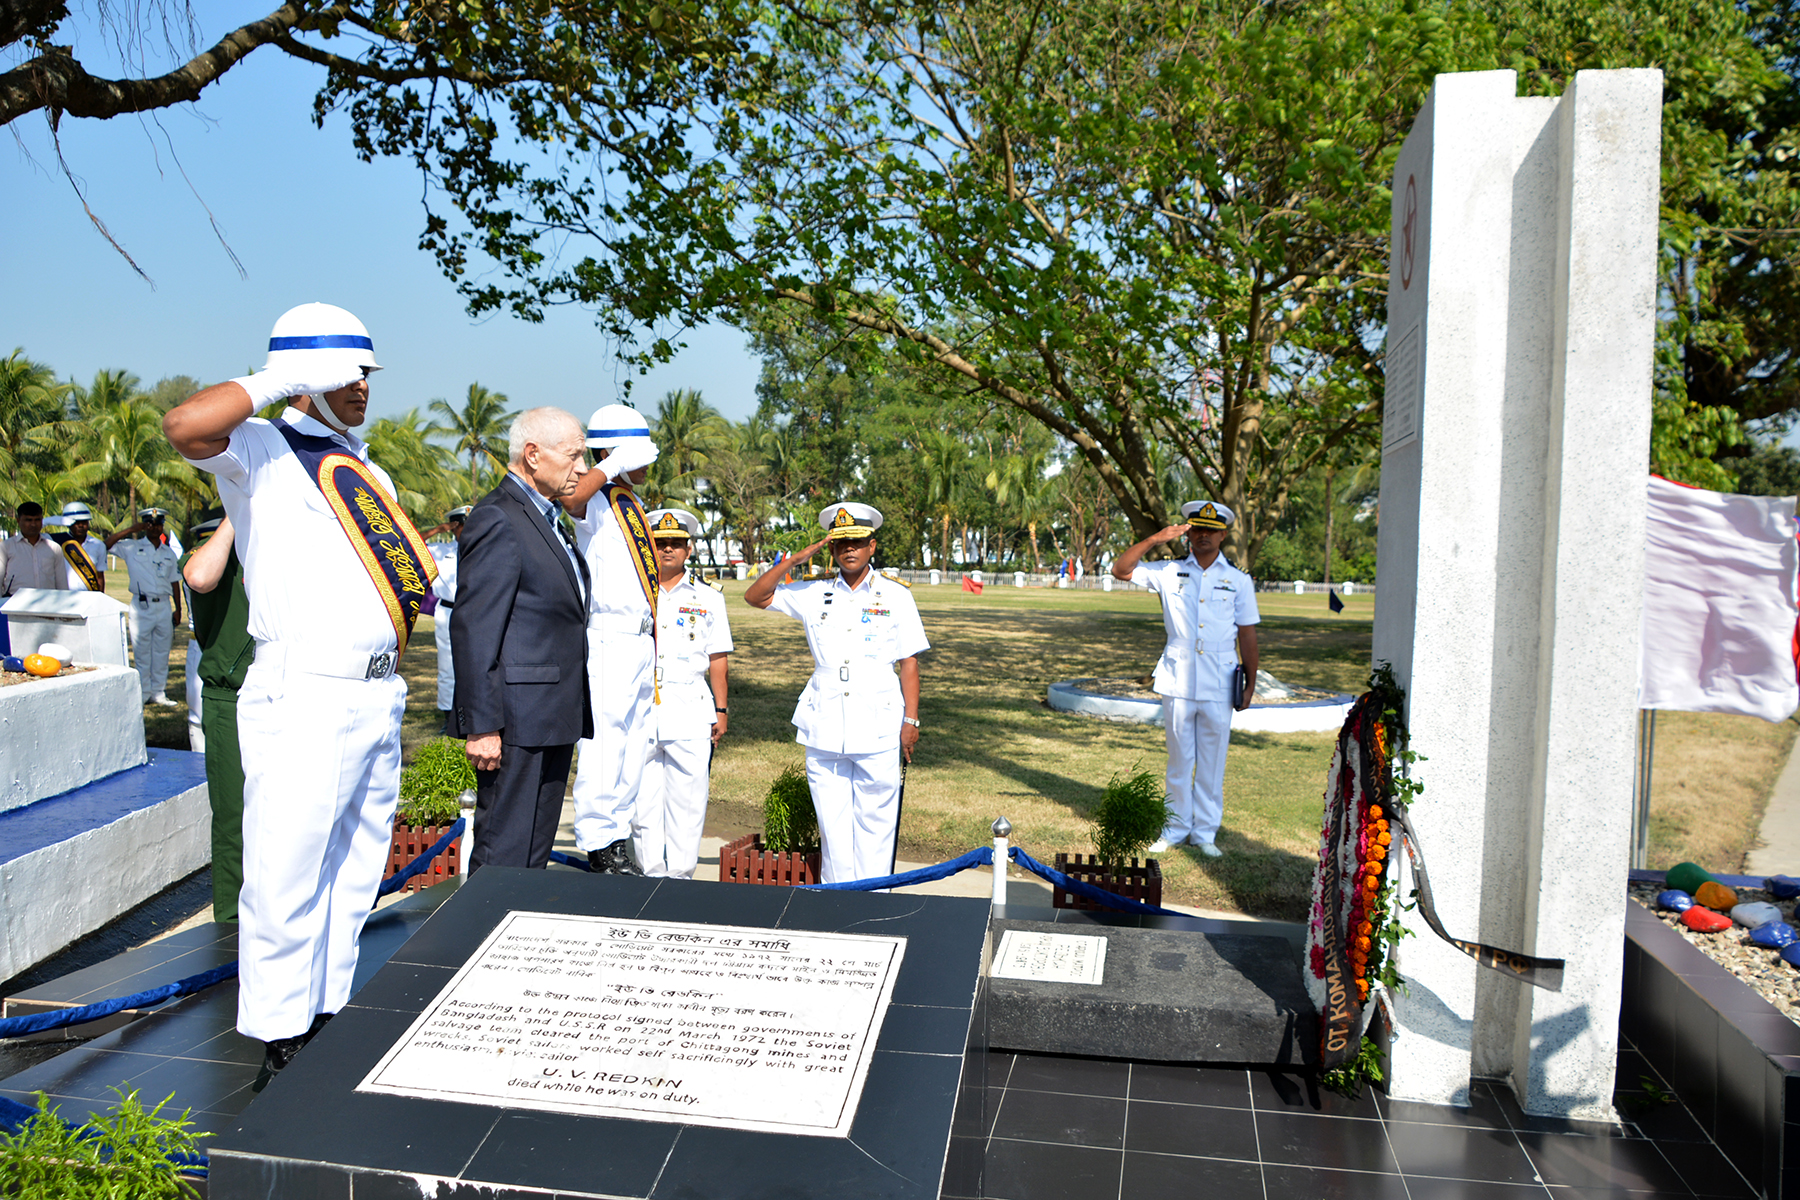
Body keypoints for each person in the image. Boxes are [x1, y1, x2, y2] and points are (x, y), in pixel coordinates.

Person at [163, 301, 438, 1087]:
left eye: (365, 375)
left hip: (375, 694)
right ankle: (279, 1043)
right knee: (286, 870)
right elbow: (184, 426)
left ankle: (325, 1015)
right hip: (303, 688)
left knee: (352, 869)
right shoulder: (260, 447)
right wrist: (284, 378)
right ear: (309, 375)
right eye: (349, 374)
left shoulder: (366, 469)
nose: (363, 387)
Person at [745, 502, 926, 884]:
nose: (850, 549)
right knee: (833, 823)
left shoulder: (896, 596)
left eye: (857, 542)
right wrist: (797, 559)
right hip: (825, 719)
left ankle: (875, 900)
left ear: (871, 546)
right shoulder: (814, 592)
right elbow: (756, 596)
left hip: (878, 719)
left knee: (876, 821)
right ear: (831, 549)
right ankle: (838, 902)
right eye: (841, 543)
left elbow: (909, 661)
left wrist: (911, 719)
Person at [449, 409, 595, 873]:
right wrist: (482, 725)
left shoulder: (547, 518)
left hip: (551, 714)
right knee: (503, 853)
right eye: (573, 455)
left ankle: (518, 940)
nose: (582, 467)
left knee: (532, 856)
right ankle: (478, 940)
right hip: (514, 722)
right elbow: (475, 628)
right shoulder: (499, 518)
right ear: (532, 455)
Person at [1109, 500, 1260, 857]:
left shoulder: (1237, 581)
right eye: (1196, 529)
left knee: (1213, 760)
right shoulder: (1168, 570)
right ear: (1188, 532)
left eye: (1210, 530)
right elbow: (1121, 570)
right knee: (1179, 760)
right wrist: (1155, 538)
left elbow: (1248, 633)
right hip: (1177, 677)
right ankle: (1175, 828)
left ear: (1223, 534)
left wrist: (1250, 683)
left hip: (1221, 680)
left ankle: (1205, 833)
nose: (1202, 535)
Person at [563, 403, 661, 875]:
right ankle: (600, 841)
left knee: (634, 741)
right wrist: (609, 464)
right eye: (637, 456)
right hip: (609, 636)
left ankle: (617, 834)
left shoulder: (628, 501)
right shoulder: (596, 498)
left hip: (641, 640)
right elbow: (572, 498)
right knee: (606, 741)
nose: (646, 464)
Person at [638, 508, 732, 878]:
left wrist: (721, 710)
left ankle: (681, 878)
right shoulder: (635, 591)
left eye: (675, 544)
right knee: (642, 803)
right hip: (640, 704)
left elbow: (718, 657)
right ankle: (649, 876)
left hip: (690, 704)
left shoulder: (709, 598)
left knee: (689, 801)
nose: (667, 550)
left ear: (688, 549)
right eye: (660, 544)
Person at [182, 509, 253, 921]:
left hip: (285, 693)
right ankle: (231, 923)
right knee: (234, 818)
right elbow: (200, 577)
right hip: (231, 697)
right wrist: (233, 516)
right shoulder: (212, 551)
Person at [108, 509, 184, 706]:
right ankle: (143, 692)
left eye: (158, 523)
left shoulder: (168, 552)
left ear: (162, 525)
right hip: (141, 606)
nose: (153, 527)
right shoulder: (131, 547)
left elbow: (175, 581)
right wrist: (131, 530)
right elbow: (105, 546)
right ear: (143, 525)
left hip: (163, 605)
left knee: (161, 651)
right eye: (149, 523)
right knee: (142, 652)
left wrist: (178, 609)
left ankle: (159, 693)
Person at [422, 505, 472, 722]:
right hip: (448, 611)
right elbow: (409, 543)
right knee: (447, 665)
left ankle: (474, 713)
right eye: (464, 527)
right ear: (454, 527)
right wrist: (437, 530)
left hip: (475, 611)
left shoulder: (483, 548)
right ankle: (448, 716)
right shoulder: (441, 551)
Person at [49, 502, 107, 591]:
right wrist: (47, 521)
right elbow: (32, 536)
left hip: (88, 596)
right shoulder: (56, 541)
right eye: (76, 522)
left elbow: (99, 577)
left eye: (84, 522)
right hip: (63, 595)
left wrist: (100, 598)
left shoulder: (98, 545)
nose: (80, 525)